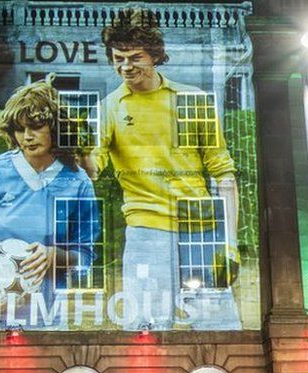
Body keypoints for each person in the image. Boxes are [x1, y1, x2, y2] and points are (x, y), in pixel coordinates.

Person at [87, 9, 241, 331]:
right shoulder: (108, 109)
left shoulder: (192, 100)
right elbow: (92, 168)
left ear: (155, 55)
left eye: (134, 57)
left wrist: (229, 243)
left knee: (219, 328)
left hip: (201, 229)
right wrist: (75, 150)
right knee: (147, 332)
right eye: (118, 58)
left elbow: (223, 175)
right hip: (146, 231)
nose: (125, 66)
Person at [0, 76, 100, 329]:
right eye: (20, 129)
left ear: (55, 127)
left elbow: (85, 256)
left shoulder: (78, 182)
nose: (27, 136)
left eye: (36, 126)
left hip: (46, 320)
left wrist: (53, 256)